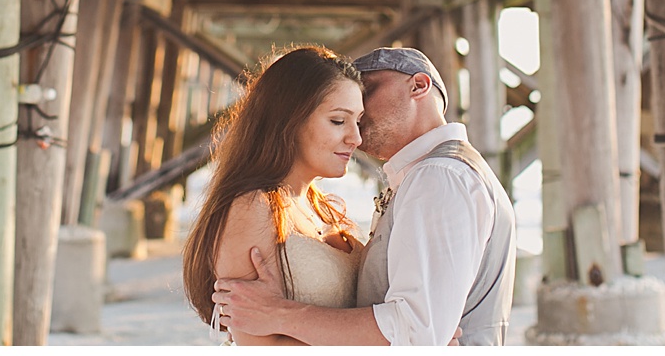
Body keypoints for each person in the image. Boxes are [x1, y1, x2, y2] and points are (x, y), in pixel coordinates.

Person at [212, 46, 517, 345]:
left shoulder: (439, 176)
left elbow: (415, 332)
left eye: (367, 91)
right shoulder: (259, 207)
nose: (357, 131)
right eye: (338, 119)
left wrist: (281, 314)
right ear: (291, 118)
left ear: (419, 85)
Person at [182, 46, 367, 345]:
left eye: (358, 121)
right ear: (289, 120)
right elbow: (259, 347)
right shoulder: (253, 207)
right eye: (338, 121)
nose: (355, 138)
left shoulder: (323, 208)